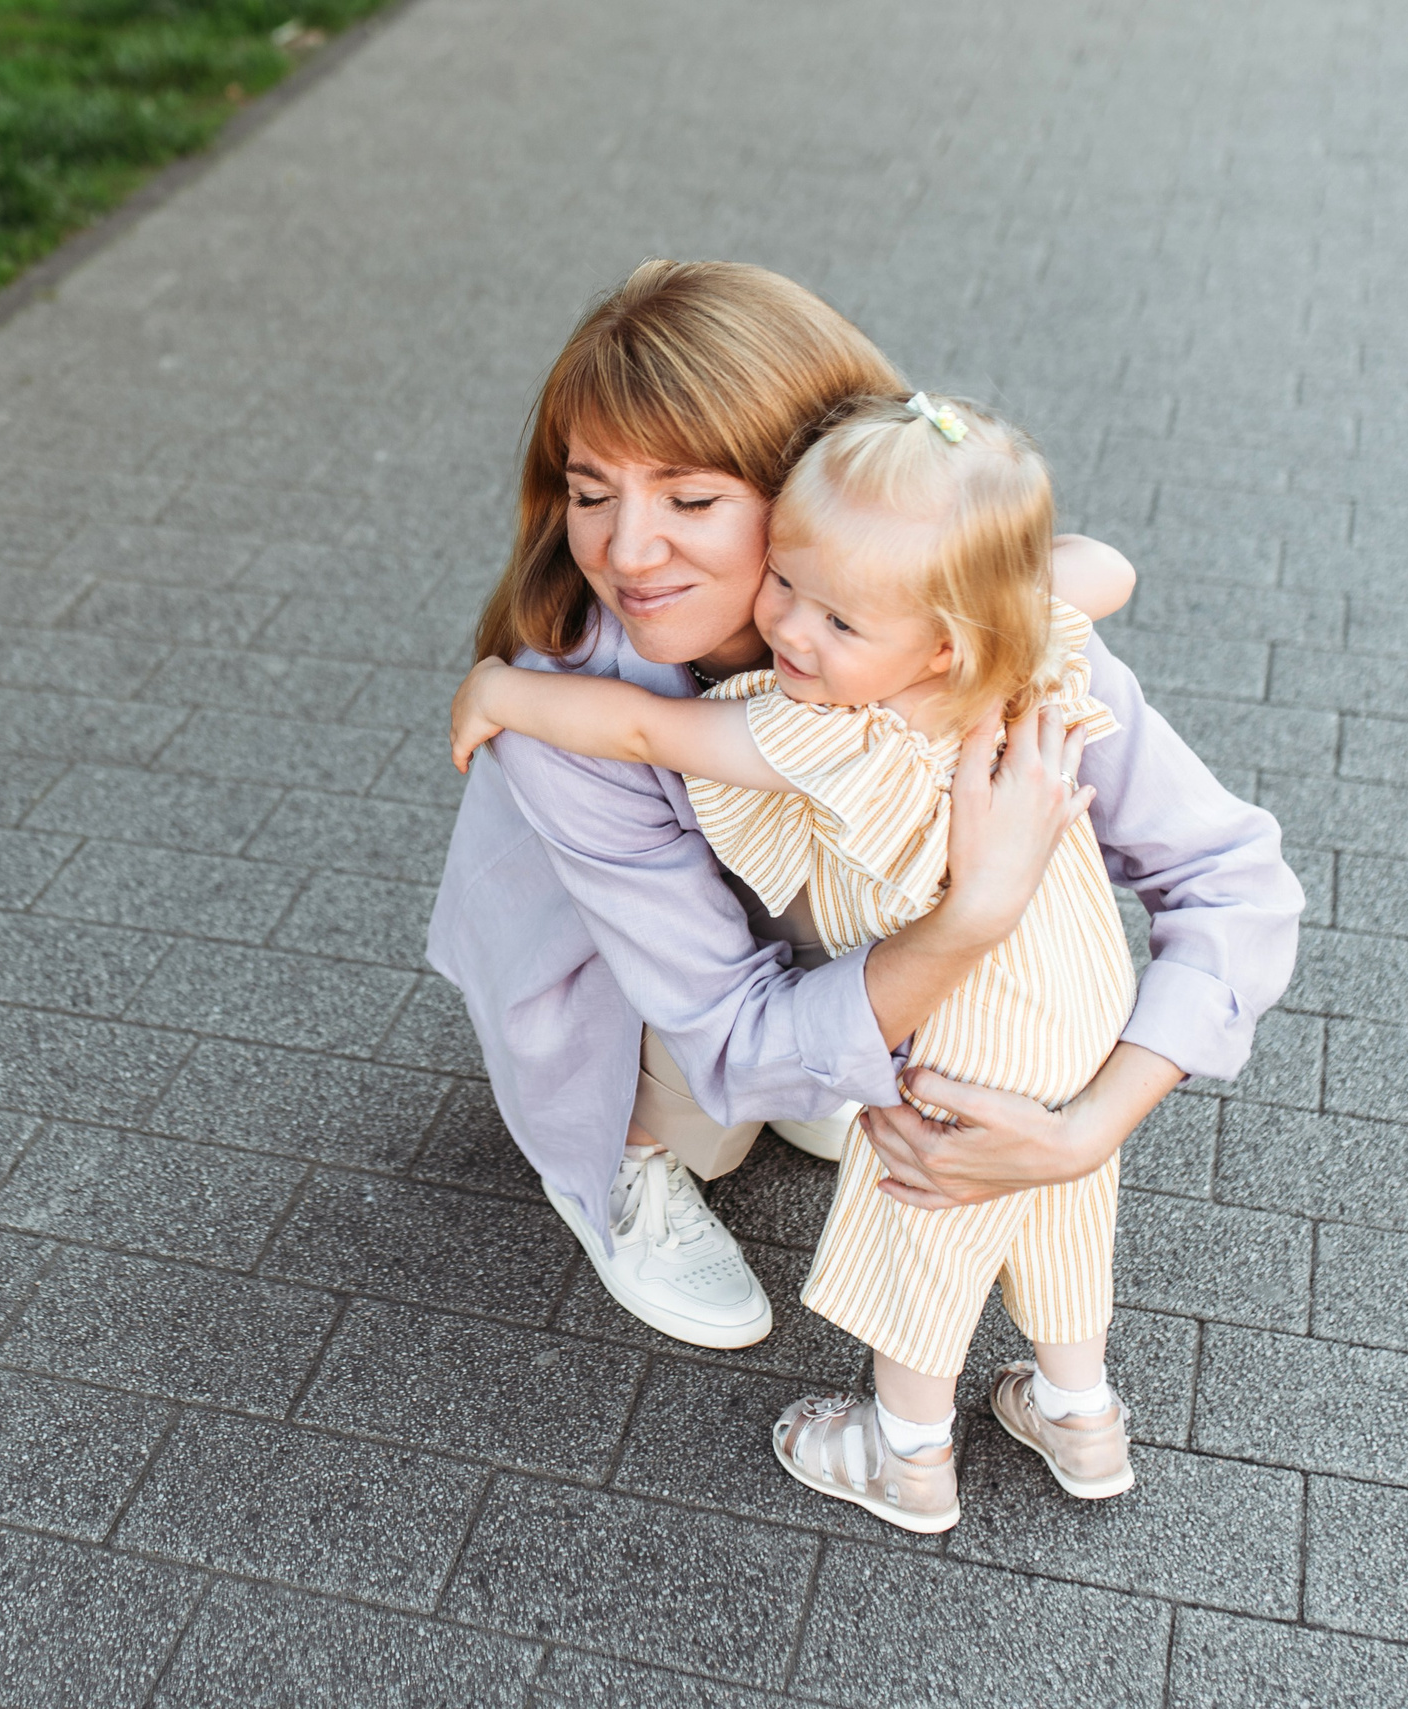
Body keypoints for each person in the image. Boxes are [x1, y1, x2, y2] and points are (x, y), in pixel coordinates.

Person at [427, 260, 1300, 1358]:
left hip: (821, 939)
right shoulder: (568, 713)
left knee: (892, 1029)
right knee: (712, 1128)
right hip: (633, 982)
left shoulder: (963, 624)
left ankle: (837, 1041)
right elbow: (732, 1038)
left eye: (690, 499)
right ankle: (624, 1155)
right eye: (590, 490)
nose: (623, 550)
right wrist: (975, 912)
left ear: (815, 489)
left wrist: (1084, 1129)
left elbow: (1230, 878)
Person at [453, 391, 1153, 1532]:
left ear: (938, 639)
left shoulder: (818, 722)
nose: (792, 633)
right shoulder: (1014, 644)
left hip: (972, 1010)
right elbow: (1105, 565)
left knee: (919, 1207)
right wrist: (992, 587)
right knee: (1055, 1188)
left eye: (840, 619)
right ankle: (1080, 1414)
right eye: (787, 581)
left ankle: (906, 1449)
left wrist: (503, 688)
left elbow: (642, 730)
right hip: (1077, 985)